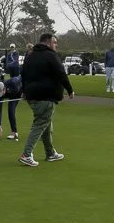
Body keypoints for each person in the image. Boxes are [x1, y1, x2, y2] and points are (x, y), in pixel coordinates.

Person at [17, 30, 73, 167]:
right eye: (54, 42)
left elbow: (23, 74)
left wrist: (24, 92)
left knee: (45, 124)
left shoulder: (30, 56)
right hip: (46, 96)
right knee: (40, 123)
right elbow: (61, 73)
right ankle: (26, 154)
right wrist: (70, 89)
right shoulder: (50, 55)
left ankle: (50, 153)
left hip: (32, 96)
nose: (56, 45)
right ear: (48, 42)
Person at [0, 69, 21, 140]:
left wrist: (26, 94)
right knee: (11, 110)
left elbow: (23, 81)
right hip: (13, 95)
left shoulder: (14, 83)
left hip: (21, 89)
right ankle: (14, 132)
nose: (0, 96)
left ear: (4, 89)